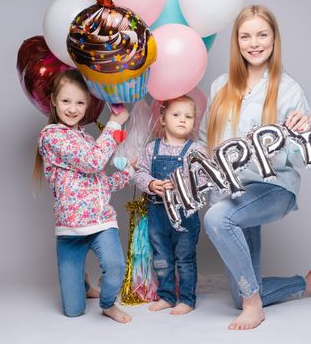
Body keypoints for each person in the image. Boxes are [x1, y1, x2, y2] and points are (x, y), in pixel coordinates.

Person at [198, 5, 311, 330]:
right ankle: (307, 283)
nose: (254, 43)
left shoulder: (289, 90)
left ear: (274, 39)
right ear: (236, 42)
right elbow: (204, 141)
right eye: (246, 36)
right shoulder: (220, 87)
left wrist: (294, 135)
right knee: (239, 292)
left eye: (262, 34)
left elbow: (302, 157)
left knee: (218, 219)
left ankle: (255, 307)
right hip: (232, 192)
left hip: (272, 189)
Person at [33, 69, 134, 323]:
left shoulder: (88, 138)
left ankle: (108, 304)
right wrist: (114, 123)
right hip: (70, 230)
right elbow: (92, 162)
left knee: (115, 267)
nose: (72, 108)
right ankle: (84, 284)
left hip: (101, 223)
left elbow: (100, 183)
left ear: (88, 105)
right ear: (54, 100)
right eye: (66, 101)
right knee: (73, 311)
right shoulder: (51, 136)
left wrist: (130, 170)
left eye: (80, 102)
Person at [134, 96, 205, 315]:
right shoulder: (151, 149)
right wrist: (152, 183)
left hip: (185, 214)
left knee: (184, 257)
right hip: (157, 213)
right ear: (162, 119)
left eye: (188, 116)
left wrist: (181, 185)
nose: (183, 120)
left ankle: (186, 298)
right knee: (161, 256)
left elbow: (203, 179)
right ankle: (166, 295)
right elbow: (140, 173)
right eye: (176, 115)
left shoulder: (196, 150)